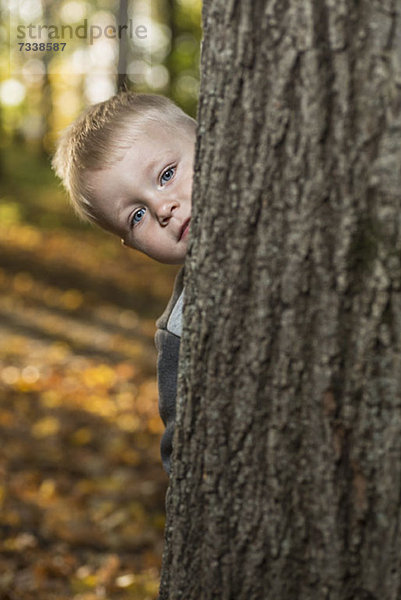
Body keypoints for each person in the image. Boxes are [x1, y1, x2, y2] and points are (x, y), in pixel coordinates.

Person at [52, 91, 196, 474]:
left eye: (167, 175)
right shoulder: (180, 330)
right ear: (131, 246)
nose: (162, 208)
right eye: (136, 216)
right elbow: (183, 458)